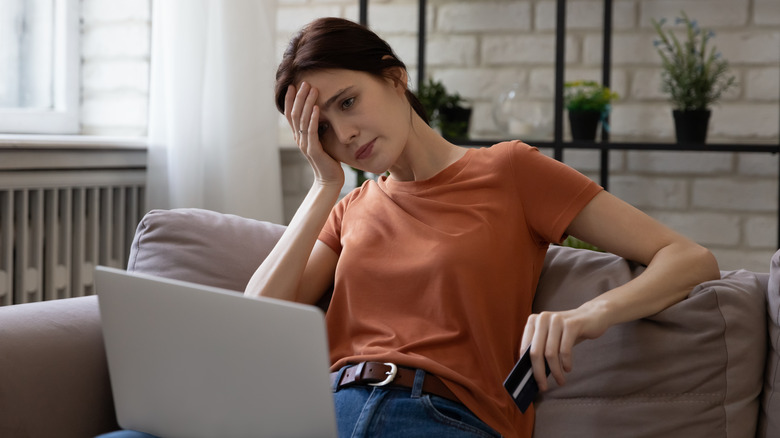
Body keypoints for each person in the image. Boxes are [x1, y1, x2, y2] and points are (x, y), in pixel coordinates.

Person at [100, 17, 720, 438]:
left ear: (393, 77)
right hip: (324, 411)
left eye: (346, 102)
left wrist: (590, 315)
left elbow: (687, 257)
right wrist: (323, 187)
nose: (342, 134)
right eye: (320, 128)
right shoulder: (350, 208)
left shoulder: (511, 171)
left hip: (443, 416)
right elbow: (254, 316)